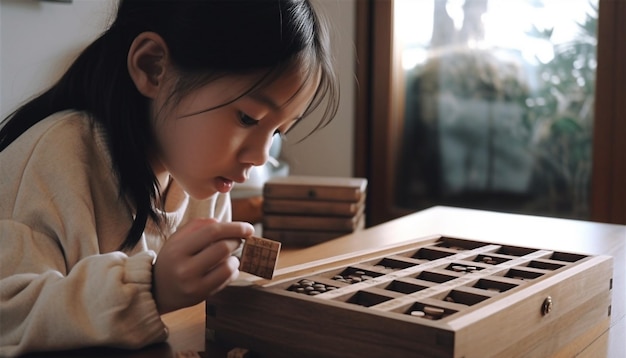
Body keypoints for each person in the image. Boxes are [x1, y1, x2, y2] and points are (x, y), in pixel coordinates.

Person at [0, 0, 339, 355]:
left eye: (278, 131)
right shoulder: (55, 159)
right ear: (153, 67)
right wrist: (151, 288)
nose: (259, 156)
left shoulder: (205, 182)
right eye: (248, 119)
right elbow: (9, 316)